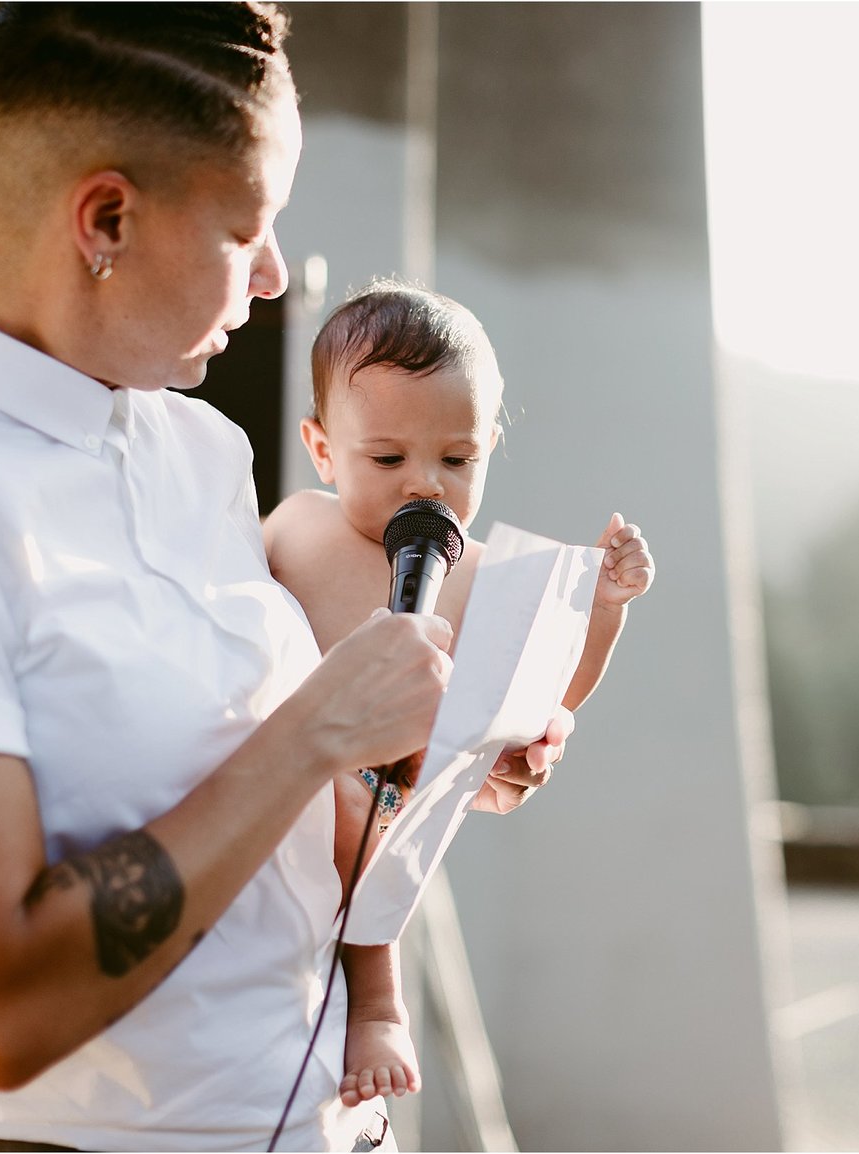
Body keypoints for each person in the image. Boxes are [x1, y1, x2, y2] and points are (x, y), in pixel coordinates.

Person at [0, 6, 556, 1149]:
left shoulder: (199, 452)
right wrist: (316, 728)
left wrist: (444, 763)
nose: (269, 278)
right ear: (105, 218)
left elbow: (253, 810)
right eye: (246, 226)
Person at [266, 282, 656, 1106]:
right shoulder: (296, 525)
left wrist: (605, 613)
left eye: (456, 458)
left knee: (375, 862)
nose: (426, 486)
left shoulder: (481, 574)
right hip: (283, 769)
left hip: (385, 787)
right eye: (388, 459)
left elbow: (549, 692)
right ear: (322, 449)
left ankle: (377, 1007)